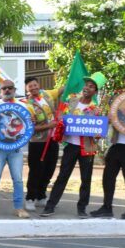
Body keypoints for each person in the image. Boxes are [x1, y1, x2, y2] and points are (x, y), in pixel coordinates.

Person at [41, 73, 105, 218]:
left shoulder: (96, 109)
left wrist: (97, 132)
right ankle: (50, 206)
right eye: (86, 85)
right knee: (62, 176)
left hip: (87, 148)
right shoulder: (71, 100)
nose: (87, 88)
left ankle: (82, 208)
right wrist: (60, 120)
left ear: (95, 91)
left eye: (91, 86)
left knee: (86, 179)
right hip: (70, 145)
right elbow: (62, 118)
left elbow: (98, 132)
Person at [92, 69, 125, 219]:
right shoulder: (117, 98)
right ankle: (107, 207)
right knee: (108, 177)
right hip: (117, 145)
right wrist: (108, 118)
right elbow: (111, 120)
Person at [0, 80, 34, 219]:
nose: (7, 90)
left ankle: (19, 208)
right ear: (0, 91)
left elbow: (28, 125)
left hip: (16, 149)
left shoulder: (22, 106)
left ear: (14, 90)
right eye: (4, 88)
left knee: (17, 179)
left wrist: (31, 124)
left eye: (10, 88)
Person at [23, 76, 63, 211]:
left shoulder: (47, 94)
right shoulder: (27, 105)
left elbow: (62, 90)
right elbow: (30, 128)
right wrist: (49, 126)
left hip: (53, 139)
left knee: (49, 169)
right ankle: (30, 198)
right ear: (27, 89)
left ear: (38, 85)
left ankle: (41, 196)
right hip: (37, 142)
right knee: (36, 170)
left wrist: (73, 81)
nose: (33, 88)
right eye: (30, 86)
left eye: (35, 85)